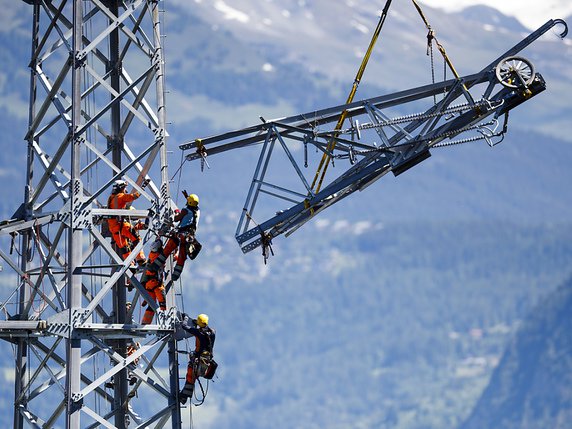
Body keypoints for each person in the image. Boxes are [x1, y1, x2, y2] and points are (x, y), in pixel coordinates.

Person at [149, 192, 202, 281]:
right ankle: (175, 276)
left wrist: (176, 214)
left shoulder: (185, 211)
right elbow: (192, 204)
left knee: (168, 249)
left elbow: (177, 218)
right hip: (189, 237)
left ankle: (155, 266)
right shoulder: (197, 211)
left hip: (180, 234)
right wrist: (187, 197)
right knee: (182, 256)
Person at [107, 179, 146, 265]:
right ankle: (140, 259)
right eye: (124, 188)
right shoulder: (120, 196)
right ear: (121, 188)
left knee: (124, 247)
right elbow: (133, 196)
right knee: (136, 239)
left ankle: (130, 264)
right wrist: (142, 188)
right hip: (121, 225)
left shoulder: (111, 198)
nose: (125, 190)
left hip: (114, 229)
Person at [179, 313, 216, 404]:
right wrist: (198, 324)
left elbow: (184, 326)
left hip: (198, 359)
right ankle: (184, 396)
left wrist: (186, 318)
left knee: (190, 377)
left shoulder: (198, 333)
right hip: (206, 360)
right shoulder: (212, 332)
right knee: (192, 378)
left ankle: (184, 397)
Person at [140, 238, 167, 325]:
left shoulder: (151, 255)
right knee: (162, 304)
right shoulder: (159, 256)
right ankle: (164, 323)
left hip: (149, 284)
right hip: (156, 284)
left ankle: (145, 323)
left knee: (151, 305)